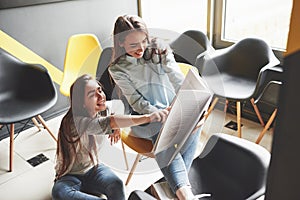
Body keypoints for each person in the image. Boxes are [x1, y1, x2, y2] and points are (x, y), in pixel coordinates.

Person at [108, 15, 203, 200]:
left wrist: (188, 101)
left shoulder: (159, 49)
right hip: (145, 118)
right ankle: (184, 193)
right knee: (163, 135)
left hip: (172, 109)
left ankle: (178, 190)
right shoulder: (117, 68)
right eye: (133, 44)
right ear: (120, 43)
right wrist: (156, 114)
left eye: (144, 41)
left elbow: (177, 79)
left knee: (196, 121)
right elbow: (136, 102)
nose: (141, 48)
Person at [51, 74, 169, 200]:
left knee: (116, 184)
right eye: (92, 95)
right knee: (59, 193)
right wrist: (148, 117)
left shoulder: (103, 109)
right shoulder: (74, 122)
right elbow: (108, 122)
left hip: (93, 168)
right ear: (82, 103)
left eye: (99, 90)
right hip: (69, 176)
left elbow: (118, 105)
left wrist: (117, 127)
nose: (100, 96)